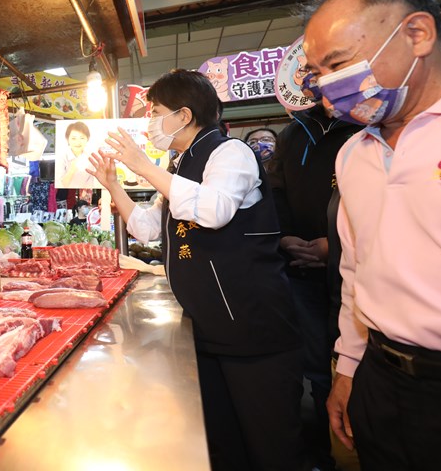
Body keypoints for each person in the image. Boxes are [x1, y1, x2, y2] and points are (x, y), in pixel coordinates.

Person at [301, 0, 441, 468]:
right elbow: (357, 271)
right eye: (319, 73)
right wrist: (349, 368)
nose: (328, 86)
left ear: (417, 34)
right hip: (381, 377)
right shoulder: (354, 153)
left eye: (338, 63)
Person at [88, 69, 303, 471]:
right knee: (222, 444)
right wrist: (113, 184)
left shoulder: (231, 153)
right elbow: (150, 229)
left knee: (272, 447)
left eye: (155, 111)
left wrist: (143, 165)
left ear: (184, 115)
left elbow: (214, 211)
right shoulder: (181, 162)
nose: (150, 121)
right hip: (206, 330)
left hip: (253, 332)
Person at [268, 103, 361, 471]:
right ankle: (326, 454)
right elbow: (275, 191)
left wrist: (332, 245)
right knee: (319, 370)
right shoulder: (293, 133)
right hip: (301, 268)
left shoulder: (363, 125)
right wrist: (284, 237)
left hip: (352, 269)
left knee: (352, 367)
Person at [59, 121, 95, 187]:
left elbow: (91, 182)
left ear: (87, 139)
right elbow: (62, 184)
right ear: (68, 139)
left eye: (82, 138)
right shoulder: (62, 157)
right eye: (73, 138)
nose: (78, 142)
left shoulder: (91, 158)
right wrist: (72, 170)